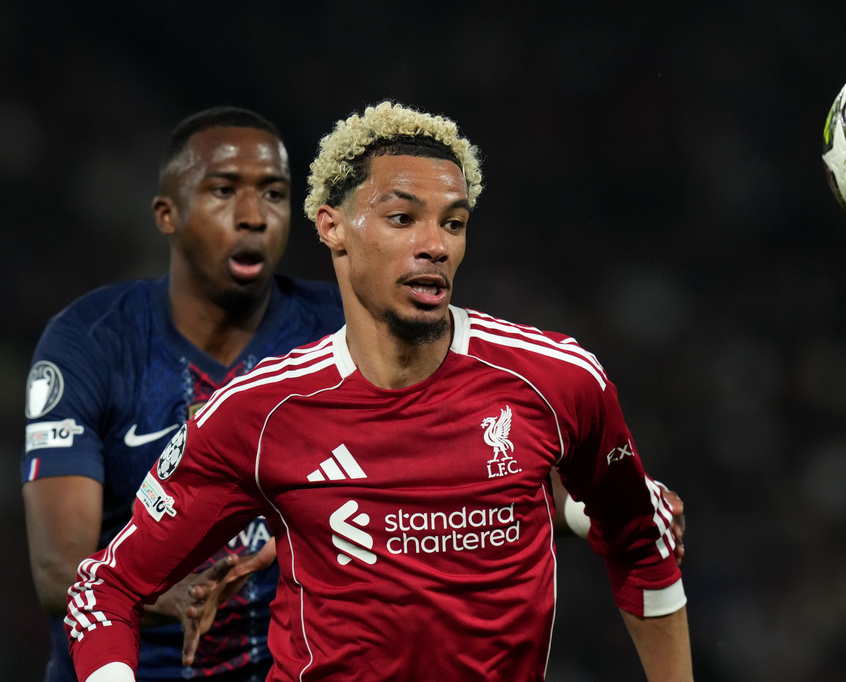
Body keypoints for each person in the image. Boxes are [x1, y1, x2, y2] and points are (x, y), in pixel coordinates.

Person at [65, 101, 692, 681]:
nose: (435, 245)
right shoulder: (258, 415)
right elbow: (105, 590)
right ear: (332, 227)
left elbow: (644, 542)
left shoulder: (556, 381)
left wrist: (603, 511)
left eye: (454, 222)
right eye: (402, 218)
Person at [22, 106, 347, 681]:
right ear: (167, 214)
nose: (253, 216)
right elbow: (56, 571)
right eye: (224, 190)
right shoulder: (94, 342)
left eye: (273, 194)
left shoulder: (340, 329)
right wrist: (163, 591)